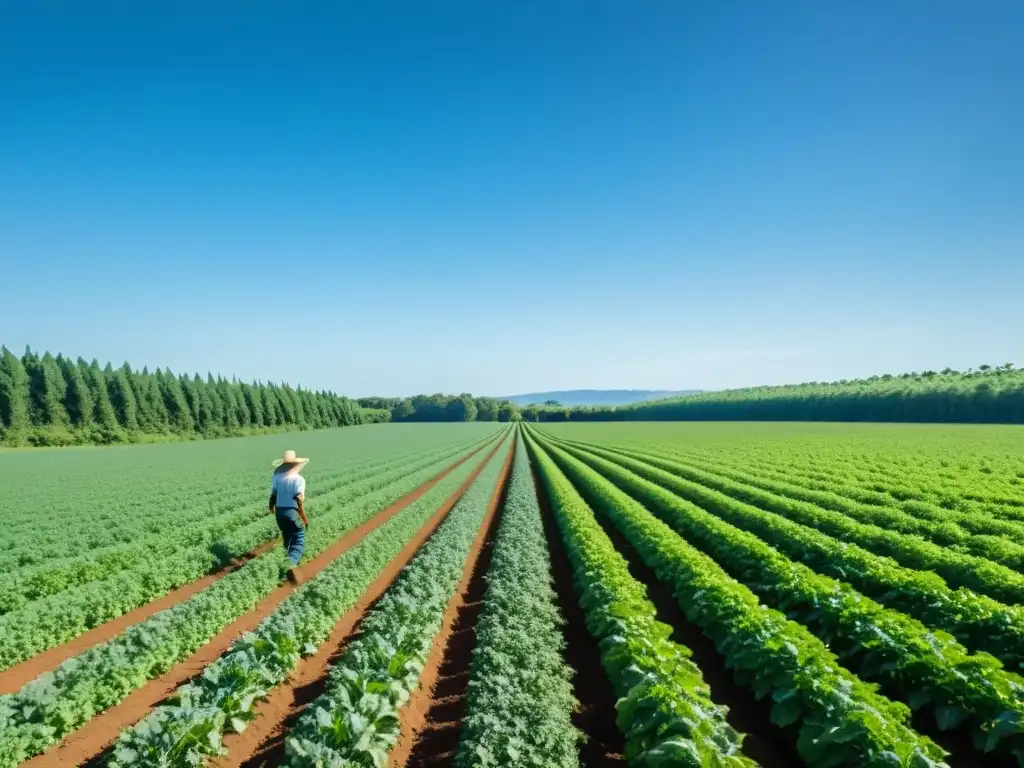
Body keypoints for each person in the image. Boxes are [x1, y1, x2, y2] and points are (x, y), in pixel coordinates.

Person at [269, 449, 309, 583]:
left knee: (287, 536)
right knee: (299, 538)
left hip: (280, 512)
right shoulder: (299, 479)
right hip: (292, 511)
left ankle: (286, 560)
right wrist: (303, 515)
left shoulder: (277, 478)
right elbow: (299, 498)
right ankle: (290, 565)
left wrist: (271, 508)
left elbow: (273, 496)